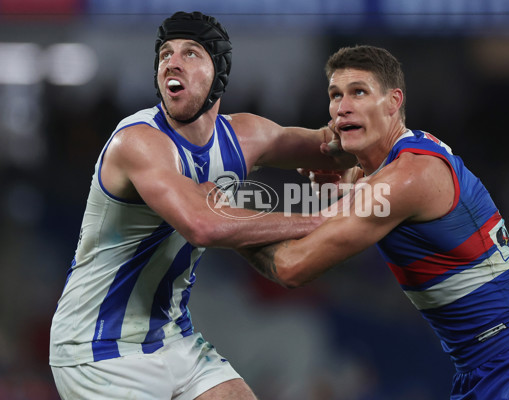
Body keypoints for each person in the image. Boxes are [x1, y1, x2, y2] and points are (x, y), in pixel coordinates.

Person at [241, 45, 509, 399]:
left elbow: (291, 267)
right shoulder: (392, 169)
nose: (343, 107)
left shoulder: (408, 177)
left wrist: (220, 220)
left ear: (393, 102)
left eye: (359, 92)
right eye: (335, 95)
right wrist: (341, 185)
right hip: (481, 368)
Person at [49, 11, 354, 400]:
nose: (172, 62)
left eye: (191, 53)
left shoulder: (245, 135)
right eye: (165, 54)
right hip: (98, 349)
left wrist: (397, 143)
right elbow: (203, 225)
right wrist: (320, 221)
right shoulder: (139, 142)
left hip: (172, 337)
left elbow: (331, 150)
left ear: (219, 72)